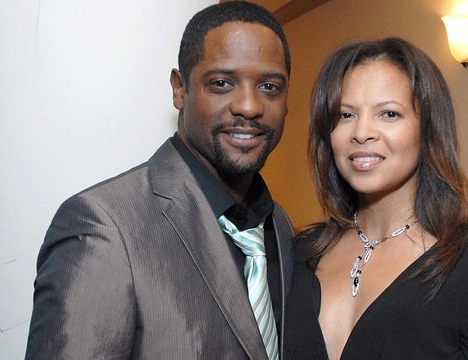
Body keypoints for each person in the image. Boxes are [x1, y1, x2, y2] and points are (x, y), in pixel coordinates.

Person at [25, 2, 294, 359]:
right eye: (222, 83)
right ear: (180, 89)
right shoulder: (104, 226)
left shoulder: (280, 225)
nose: (249, 106)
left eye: (270, 86)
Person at [285, 37, 468, 359]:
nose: (362, 132)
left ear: (426, 130)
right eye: (346, 115)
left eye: (388, 114)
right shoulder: (300, 252)